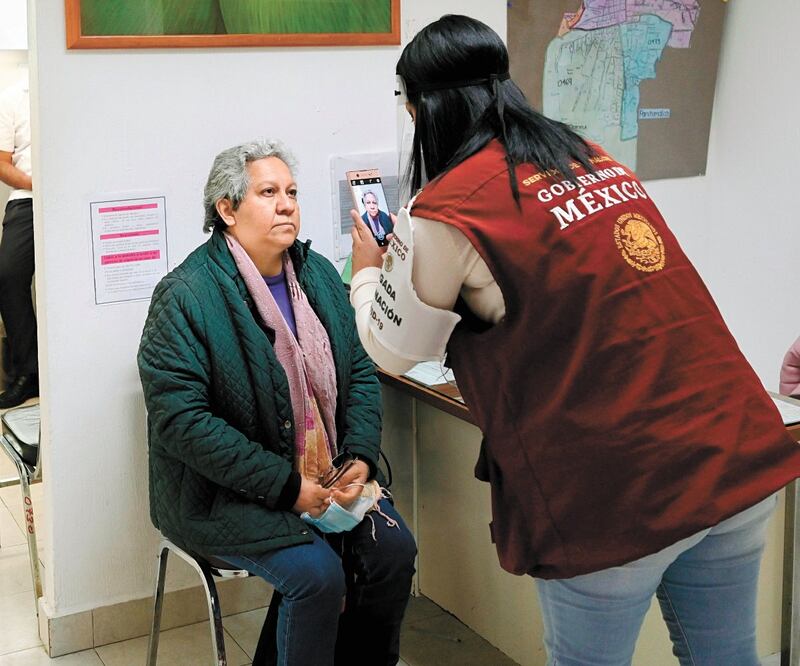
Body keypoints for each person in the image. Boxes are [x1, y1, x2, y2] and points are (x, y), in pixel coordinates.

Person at [348, 15, 800, 666]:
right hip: (731, 447)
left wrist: (368, 273)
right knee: (726, 657)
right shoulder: (589, 157)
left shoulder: (448, 209)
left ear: (423, 108)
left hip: (617, 489)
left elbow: (392, 350)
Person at [138, 139, 416, 666]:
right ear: (227, 209)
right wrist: (288, 488)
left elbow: (359, 370)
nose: (287, 204)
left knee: (394, 552)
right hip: (223, 495)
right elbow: (183, 422)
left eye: (292, 192)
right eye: (268, 193)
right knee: (317, 577)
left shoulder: (316, 275)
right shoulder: (185, 295)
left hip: (324, 476)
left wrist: (359, 456)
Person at [0, 74, 37, 408]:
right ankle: (27, 372)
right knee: (8, 276)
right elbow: (2, 162)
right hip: (28, 197)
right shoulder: (13, 96)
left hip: (74, 196)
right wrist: (36, 183)